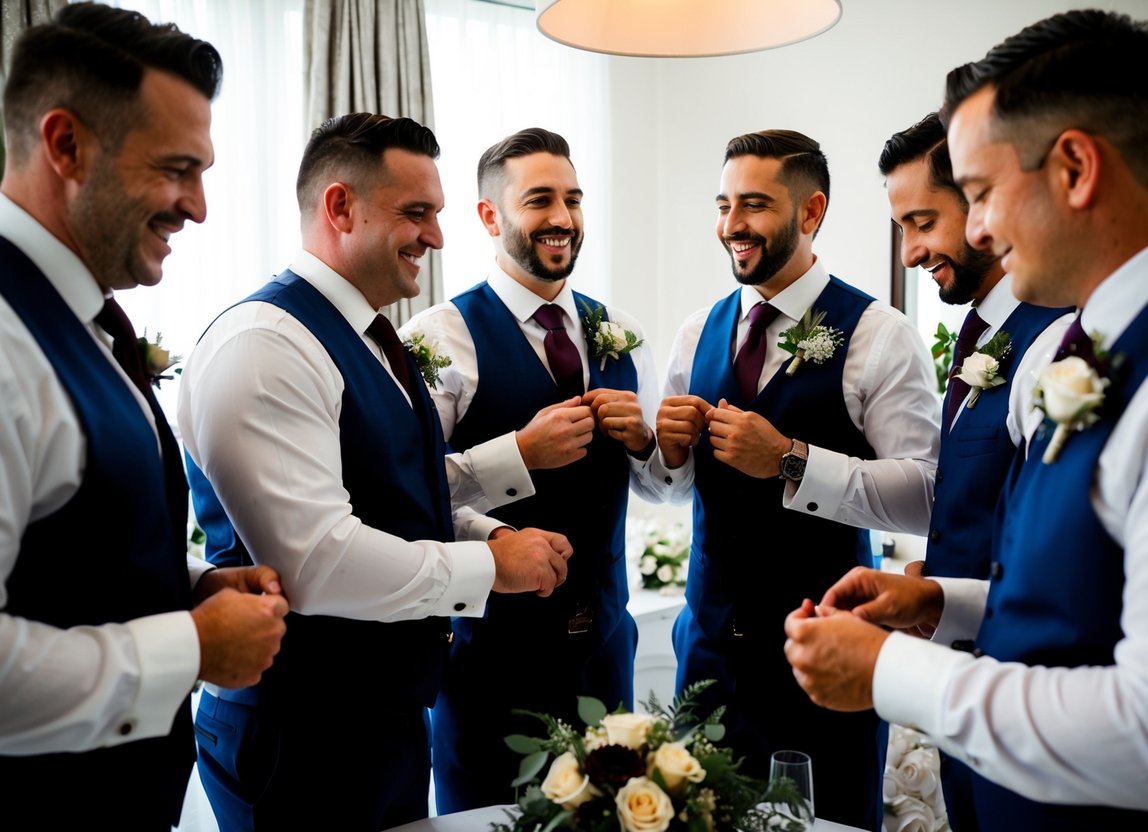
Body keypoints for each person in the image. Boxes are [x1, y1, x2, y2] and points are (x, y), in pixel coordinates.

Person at [784, 9, 1148, 828]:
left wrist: (890, 672)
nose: (976, 227)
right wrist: (939, 601)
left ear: (1074, 168)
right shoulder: (1092, 340)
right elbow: (1085, 603)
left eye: (979, 193)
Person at [179, 114, 574, 831]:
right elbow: (316, 562)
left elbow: (390, 490)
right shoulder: (267, 343)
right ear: (339, 207)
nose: (437, 237)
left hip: (378, 722)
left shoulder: (369, 338)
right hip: (299, 734)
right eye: (416, 213)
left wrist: (489, 532)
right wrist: (491, 567)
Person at [0, 5, 289, 829]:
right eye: (176, 169)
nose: (198, 208)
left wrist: (185, 586)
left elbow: (62, 547)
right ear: (66, 145)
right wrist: (191, 648)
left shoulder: (88, 320)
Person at [638, 129, 939, 829]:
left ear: (810, 212)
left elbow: (926, 494)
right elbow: (670, 491)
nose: (731, 225)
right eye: (723, 205)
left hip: (825, 657)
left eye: (754, 205)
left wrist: (789, 460)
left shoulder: (880, 333)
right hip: (707, 657)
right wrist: (668, 454)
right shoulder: (696, 332)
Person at [403, 127, 661, 813]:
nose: (562, 217)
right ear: (490, 216)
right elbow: (405, 494)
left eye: (572, 199)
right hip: (491, 661)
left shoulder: (620, 331)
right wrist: (517, 454)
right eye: (539, 199)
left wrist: (644, 443)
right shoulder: (436, 338)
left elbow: (661, 488)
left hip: (605, 651)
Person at [879, 111, 1072, 827]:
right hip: (969, 687)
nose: (909, 252)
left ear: (981, 204)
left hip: (1034, 710)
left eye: (922, 222)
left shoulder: (1055, 344)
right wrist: (931, 591)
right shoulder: (983, 335)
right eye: (900, 228)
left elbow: (1056, 563)